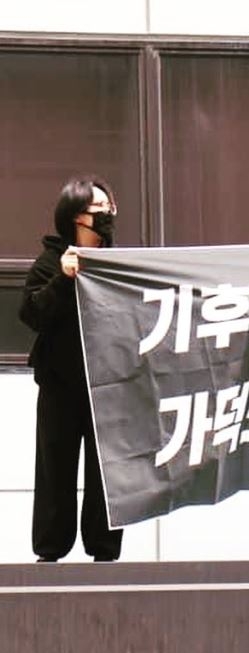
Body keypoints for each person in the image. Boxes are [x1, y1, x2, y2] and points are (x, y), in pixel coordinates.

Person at [19, 175, 123, 563]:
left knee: (108, 475)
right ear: (77, 217)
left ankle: (105, 552)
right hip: (60, 386)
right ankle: (49, 552)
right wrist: (63, 279)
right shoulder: (50, 262)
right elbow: (32, 314)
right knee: (55, 471)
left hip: (110, 385)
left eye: (110, 208)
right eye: (100, 209)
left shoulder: (120, 265)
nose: (109, 216)